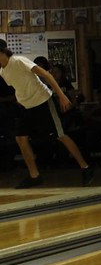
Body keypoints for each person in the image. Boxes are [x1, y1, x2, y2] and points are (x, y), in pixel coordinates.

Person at [0, 39, 94, 188]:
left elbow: (47, 75)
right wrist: (20, 100)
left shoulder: (18, 61)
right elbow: (20, 86)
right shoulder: (3, 71)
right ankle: (34, 175)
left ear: (2, 52)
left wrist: (62, 96)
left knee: (60, 135)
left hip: (43, 101)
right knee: (20, 139)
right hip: (26, 107)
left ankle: (86, 168)